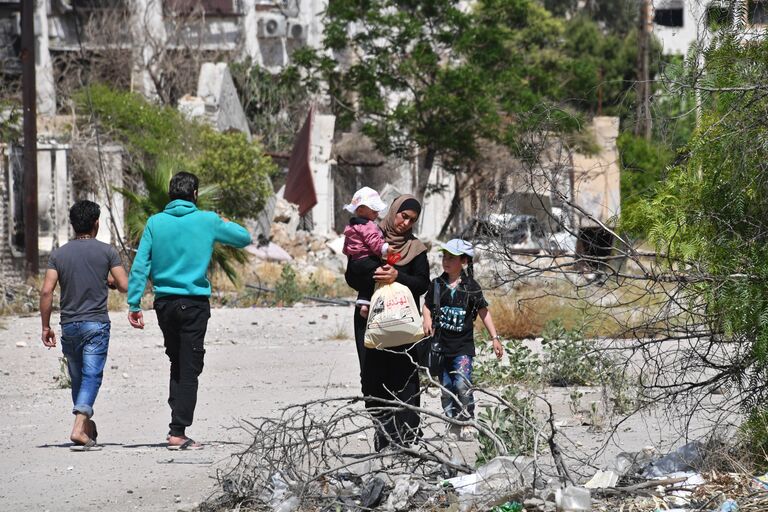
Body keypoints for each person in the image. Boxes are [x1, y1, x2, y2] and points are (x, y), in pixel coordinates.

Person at [127, 171, 252, 450]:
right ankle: (177, 432)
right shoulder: (207, 220)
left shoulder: (155, 222)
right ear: (195, 194)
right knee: (190, 367)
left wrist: (134, 303)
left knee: (177, 361)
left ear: (171, 194)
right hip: (194, 304)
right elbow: (244, 238)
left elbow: (140, 265)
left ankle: (176, 421)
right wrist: (226, 221)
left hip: (164, 304)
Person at [39, 200, 129, 451]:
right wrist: (110, 281)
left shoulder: (59, 254)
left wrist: (45, 327)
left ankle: (86, 427)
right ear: (96, 223)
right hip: (96, 324)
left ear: (73, 225)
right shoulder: (107, 251)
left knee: (78, 378)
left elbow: (46, 292)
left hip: (68, 325)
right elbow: (124, 285)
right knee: (92, 376)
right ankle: (79, 429)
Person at [351, 194, 430, 452]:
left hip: (402, 323)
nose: (405, 223)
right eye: (403, 216)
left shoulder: (416, 249)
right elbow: (351, 275)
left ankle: (406, 440)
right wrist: (373, 272)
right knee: (371, 378)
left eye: (411, 220)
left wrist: (398, 275)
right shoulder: (369, 235)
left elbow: (422, 283)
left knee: (405, 379)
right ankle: (383, 436)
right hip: (369, 320)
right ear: (394, 211)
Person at [422, 238, 503, 441]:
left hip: (463, 348)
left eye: (452, 258)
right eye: (444, 257)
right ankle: (453, 424)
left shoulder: (471, 287)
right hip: (440, 347)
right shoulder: (437, 284)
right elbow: (426, 305)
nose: (446, 261)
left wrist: (495, 338)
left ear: (464, 261)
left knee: (462, 384)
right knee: (446, 388)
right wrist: (426, 319)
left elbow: (484, 312)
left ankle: (467, 420)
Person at [342, 187, 389, 318]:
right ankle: (368, 304)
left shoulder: (350, 227)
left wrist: (351, 256)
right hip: (367, 260)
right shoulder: (369, 226)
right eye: (374, 210)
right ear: (360, 210)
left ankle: (363, 303)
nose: (377, 213)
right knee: (377, 275)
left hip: (353, 262)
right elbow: (374, 243)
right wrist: (384, 249)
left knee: (365, 281)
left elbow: (346, 247)